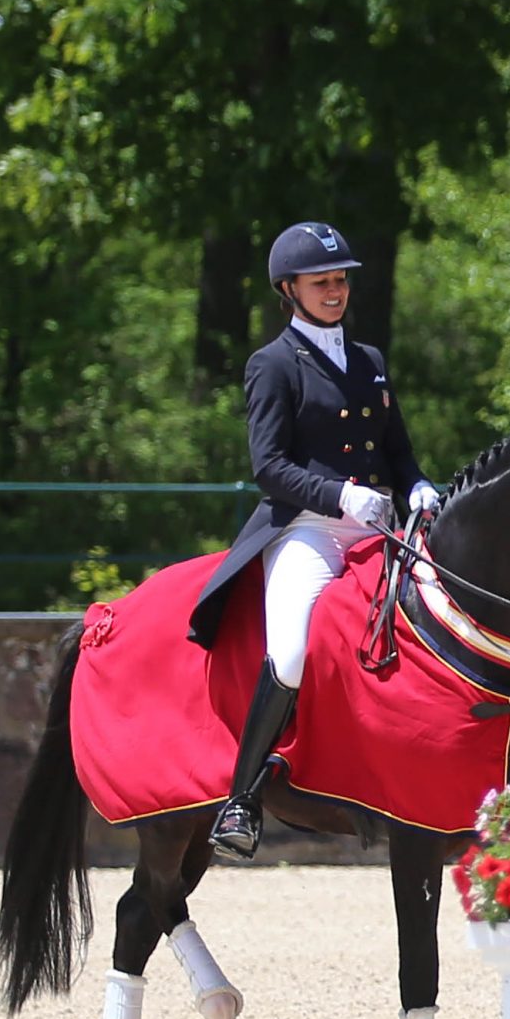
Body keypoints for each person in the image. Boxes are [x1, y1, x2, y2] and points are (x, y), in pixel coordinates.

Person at [185, 222, 440, 860]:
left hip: (381, 525)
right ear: (289, 289)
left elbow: (398, 453)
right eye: (321, 282)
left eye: (341, 280)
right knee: (294, 650)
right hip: (309, 529)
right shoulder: (272, 365)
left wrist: (419, 488)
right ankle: (240, 801)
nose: (335, 290)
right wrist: (339, 496)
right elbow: (268, 466)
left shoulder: (370, 361)